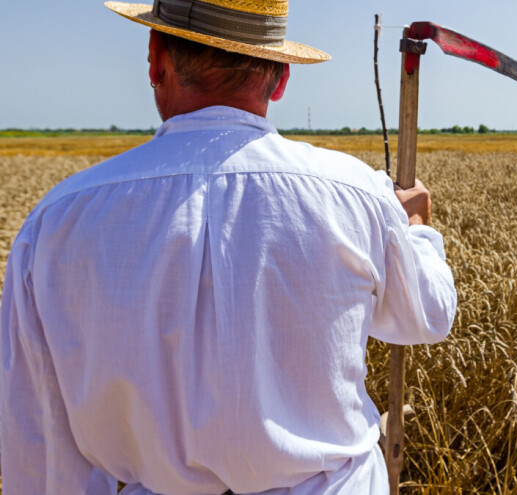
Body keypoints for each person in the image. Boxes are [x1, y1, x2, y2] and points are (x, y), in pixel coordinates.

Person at [0, 1, 457, 494]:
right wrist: (415, 231)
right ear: (281, 77)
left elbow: (41, 449)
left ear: (156, 58)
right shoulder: (357, 194)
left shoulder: (57, 222)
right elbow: (427, 315)